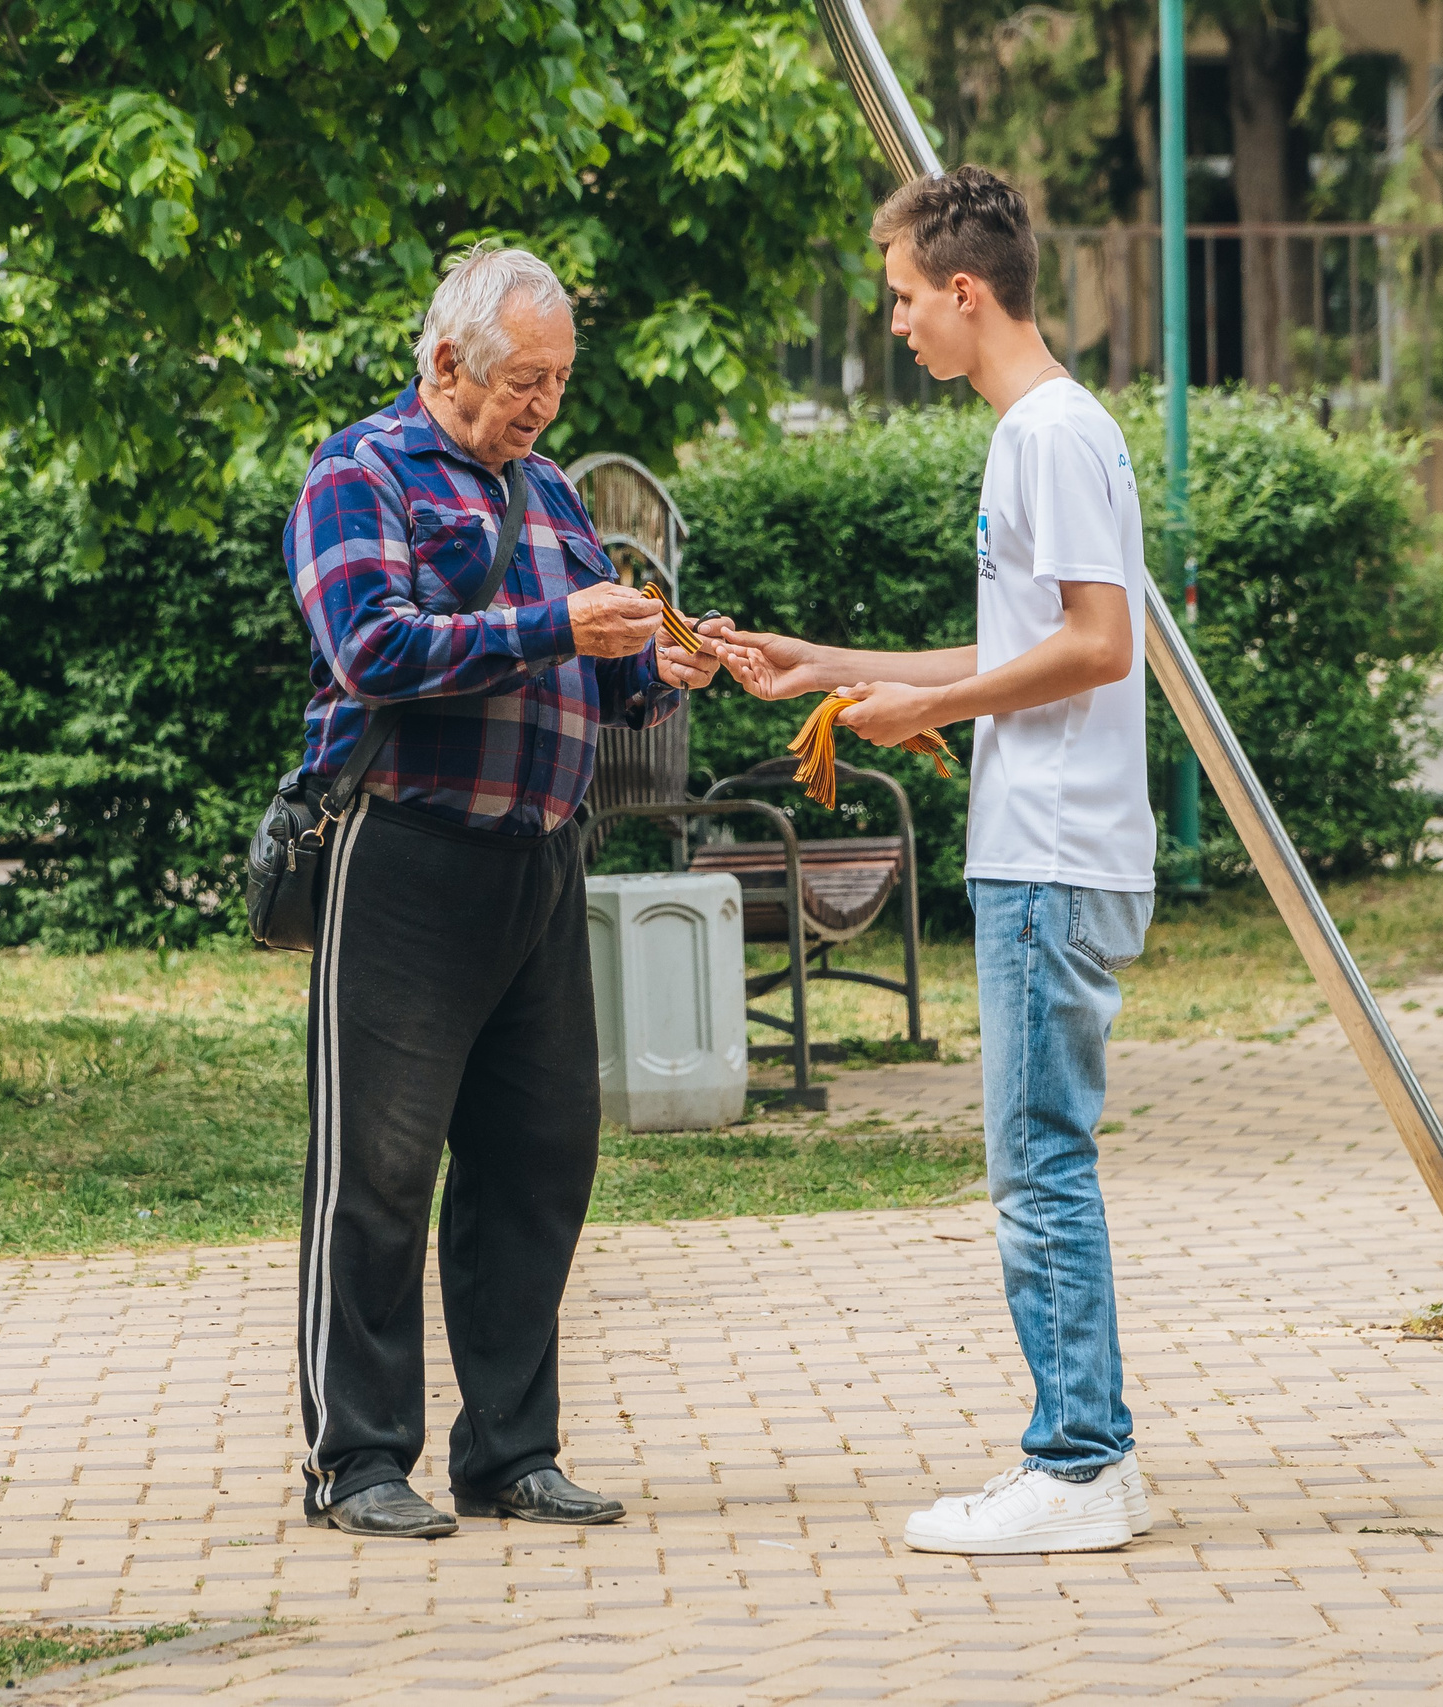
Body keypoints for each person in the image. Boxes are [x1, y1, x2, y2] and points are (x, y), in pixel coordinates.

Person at [715, 167, 1157, 1555]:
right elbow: (1011, 652)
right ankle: (1089, 1459)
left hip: (1055, 857)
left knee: (1038, 1164)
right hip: (1052, 851)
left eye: (904, 296)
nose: (894, 322)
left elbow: (1100, 645)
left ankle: (1079, 1466)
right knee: (1041, 1156)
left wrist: (926, 715)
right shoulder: (1043, 432)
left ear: (966, 291)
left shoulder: (1045, 436)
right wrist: (827, 668)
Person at [281, 245, 721, 1539]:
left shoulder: (550, 495)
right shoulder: (359, 474)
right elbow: (371, 648)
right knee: (378, 1173)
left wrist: (666, 667)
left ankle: (510, 1452)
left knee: (537, 1168)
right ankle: (358, 1463)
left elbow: (601, 674)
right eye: (525, 378)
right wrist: (552, 630)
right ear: (445, 362)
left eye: (559, 382)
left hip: (541, 858)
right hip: (408, 854)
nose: (543, 406)